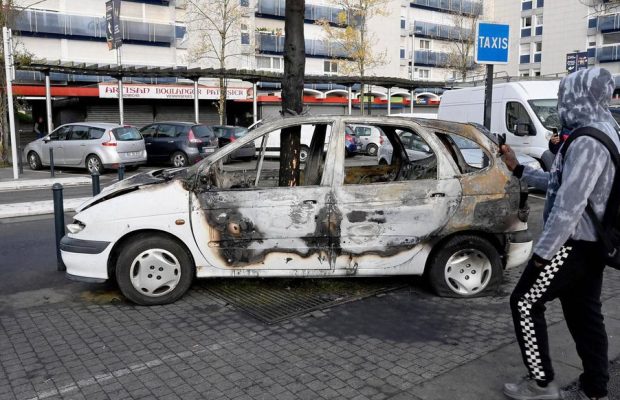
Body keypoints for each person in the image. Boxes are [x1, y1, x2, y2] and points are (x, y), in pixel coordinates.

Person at [501, 67, 616, 400]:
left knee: (523, 302)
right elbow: (559, 183)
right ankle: (595, 391)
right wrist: (519, 169)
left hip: (570, 245)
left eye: (565, 96)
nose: (562, 103)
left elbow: (569, 205)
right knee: (585, 317)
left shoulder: (587, 140)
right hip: (590, 246)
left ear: (578, 97)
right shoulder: (605, 130)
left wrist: (542, 255)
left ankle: (541, 384)